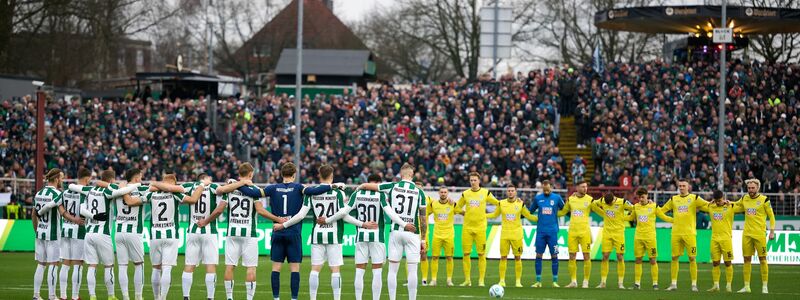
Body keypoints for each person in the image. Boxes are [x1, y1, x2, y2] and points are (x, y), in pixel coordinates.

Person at [234, 162, 334, 300]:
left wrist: (239, 183)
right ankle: (293, 298)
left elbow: (254, 193)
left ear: (281, 174)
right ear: (294, 175)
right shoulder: (299, 188)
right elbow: (314, 191)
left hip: (278, 231)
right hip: (293, 233)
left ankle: (276, 298)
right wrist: (331, 185)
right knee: (295, 269)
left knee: (276, 268)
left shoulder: (273, 188)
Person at [318, 173, 406, 300]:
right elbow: (390, 213)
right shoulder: (381, 194)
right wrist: (403, 223)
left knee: (359, 271)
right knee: (377, 272)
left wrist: (327, 220)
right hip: (377, 236)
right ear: (378, 184)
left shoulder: (357, 194)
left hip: (361, 235)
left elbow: (343, 212)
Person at [123, 168, 204, 300]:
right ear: (173, 183)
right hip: (171, 234)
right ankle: (163, 298)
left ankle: (156, 298)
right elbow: (193, 199)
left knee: (156, 268)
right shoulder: (175, 194)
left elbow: (131, 202)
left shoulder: (151, 194)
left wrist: (124, 191)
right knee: (167, 268)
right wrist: (202, 185)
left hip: (155, 235)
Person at [275, 164, 353, 300]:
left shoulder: (311, 193)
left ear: (319, 176)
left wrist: (283, 225)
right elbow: (343, 214)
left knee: (315, 269)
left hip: (317, 234)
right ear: (332, 176)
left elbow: (300, 216)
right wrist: (362, 224)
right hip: (334, 235)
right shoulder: (338, 193)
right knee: (335, 270)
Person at [214, 163, 282, 300]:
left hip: (232, 232)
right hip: (249, 234)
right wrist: (277, 219)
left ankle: (229, 297)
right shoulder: (254, 189)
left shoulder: (229, 189)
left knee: (230, 266)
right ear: (250, 174)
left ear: (239, 173)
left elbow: (220, 207)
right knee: (251, 268)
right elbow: (261, 211)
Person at [358, 163, 424, 300]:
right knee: (413, 270)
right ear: (412, 175)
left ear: (401, 175)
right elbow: (423, 217)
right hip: (412, 232)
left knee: (393, 270)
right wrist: (422, 239)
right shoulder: (419, 192)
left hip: (396, 231)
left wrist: (361, 187)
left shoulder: (392, 186)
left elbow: (370, 186)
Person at [70, 169, 139, 300]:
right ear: (112, 180)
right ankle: (111, 295)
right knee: (109, 266)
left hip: (89, 233)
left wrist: (92, 215)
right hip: (103, 234)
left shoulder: (89, 190)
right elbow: (122, 191)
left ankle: (92, 296)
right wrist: (137, 185)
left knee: (92, 266)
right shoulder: (107, 191)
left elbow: (72, 188)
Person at [660, 179, 709, 291]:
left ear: (688, 187)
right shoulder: (674, 199)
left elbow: (707, 206)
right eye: (680, 186)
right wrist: (670, 219)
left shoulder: (694, 198)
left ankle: (694, 285)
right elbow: (661, 211)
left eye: (683, 186)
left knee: (692, 258)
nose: (681, 187)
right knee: (674, 257)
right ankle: (673, 284)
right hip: (676, 233)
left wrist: (719, 203)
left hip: (689, 233)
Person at [182, 173, 225, 300]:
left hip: (193, 231)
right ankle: (210, 298)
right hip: (209, 231)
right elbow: (222, 190)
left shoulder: (190, 187)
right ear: (206, 179)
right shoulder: (212, 187)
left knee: (189, 265)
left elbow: (174, 188)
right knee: (210, 265)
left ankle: (186, 297)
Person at [486, 184, 537, 287]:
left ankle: (518, 281)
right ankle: (502, 280)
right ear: (506, 192)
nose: (510, 192)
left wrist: (542, 218)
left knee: (518, 257)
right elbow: (494, 215)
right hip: (504, 235)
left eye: (512, 191)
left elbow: (528, 216)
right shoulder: (501, 203)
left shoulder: (520, 204)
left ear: (515, 192)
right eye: (509, 190)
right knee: (503, 257)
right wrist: (482, 215)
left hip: (517, 235)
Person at [454, 172, 499, 287]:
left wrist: (490, 215)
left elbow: (498, 203)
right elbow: (457, 207)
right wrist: (463, 212)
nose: (473, 182)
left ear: (479, 181)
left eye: (475, 180)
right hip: (467, 228)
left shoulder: (485, 192)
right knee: (466, 254)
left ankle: (481, 280)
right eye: (471, 180)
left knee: (481, 254)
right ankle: (467, 280)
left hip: (480, 228)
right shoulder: (466, 194)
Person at [627, 188, 672, 290]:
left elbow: (663, 217)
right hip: (638, 237)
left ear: (647, 196)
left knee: (652, 260)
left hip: (650, 238)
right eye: (639, 197)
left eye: (642, 197)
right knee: (638, 260)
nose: (641, 199)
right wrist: (619, 217)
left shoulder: (654, 206)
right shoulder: (636, 207)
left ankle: (655, 283)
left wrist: (675, 220)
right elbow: (630, 218)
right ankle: (637, 283)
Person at [736, 178, 776, 294]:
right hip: (747, 234)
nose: (750, 190)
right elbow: (736, 205)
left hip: (759, 235)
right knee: (746, 260)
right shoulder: (745, 198)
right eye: (749, 188)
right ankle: (747, 287)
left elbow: (771, 216)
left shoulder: (764, 200)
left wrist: (772, 231)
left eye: (753, 188)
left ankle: (764, 286)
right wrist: (727, 203)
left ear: (757, 188)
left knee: (762, 260)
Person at [32, 169, 67, 300]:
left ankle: (36, 295)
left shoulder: (38, 193)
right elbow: (63, 212)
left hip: (40, 233)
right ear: (57, 179)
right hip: (53, 234)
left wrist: (36, 230)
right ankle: (52, 296)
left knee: (41, 264)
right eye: (61, 178)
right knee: (53, 264)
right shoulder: (58, 194)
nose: (62, 181)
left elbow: (33, 214)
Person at [57, 168, 90, 300]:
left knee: (65, 263)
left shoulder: (65, 192)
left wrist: (67, 216)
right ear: (87, 178)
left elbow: (60, 208)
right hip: (79, 229)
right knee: (78, 263)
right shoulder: (85, 193)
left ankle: (63, 296)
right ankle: (75, 296)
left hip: (65, 228)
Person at [590, 192, 632, 289]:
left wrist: (627, 217)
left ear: (613, 199)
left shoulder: (622, 202)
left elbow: (635, 208)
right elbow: (593, 204)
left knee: (620, 256)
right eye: (606, 204)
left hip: (619, 233)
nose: (607, 205)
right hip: (607, 233)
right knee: (605, 256)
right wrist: (602, 213)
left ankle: (620, 283)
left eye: (609, 204)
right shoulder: (602, 200)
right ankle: (603, 282)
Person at [558, 180, 595, 288]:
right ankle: (573, 281)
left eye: (586, 187)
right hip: (572, 232)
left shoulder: (590, 199)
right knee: (572, 256)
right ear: (577, 188)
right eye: (583, 187)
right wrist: (550, 213)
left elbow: (599, 210)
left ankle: (586, 281)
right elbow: (563, 212)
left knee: (586, 256)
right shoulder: (571, 199)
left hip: (585, 232)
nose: (585, 189)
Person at [528, 180, 564, 287]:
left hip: (553, 232)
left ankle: (555, 281)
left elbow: (565, 209)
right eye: (545, 189)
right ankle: (538, 281)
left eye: (548, 189)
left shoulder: (557, 198)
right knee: (538, 255)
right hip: (541, 232)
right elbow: (530, 211)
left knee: (554, 255)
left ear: (551, 188)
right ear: (542, 188)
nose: (546, 191)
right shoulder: (538, 198)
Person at [699, 190, 736, 292]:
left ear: (723, 198)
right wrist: (708, 203)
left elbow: (742, 206)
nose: (718, 202)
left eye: (719, 200)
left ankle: (729, 285)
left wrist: (732, 203)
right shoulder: (711, 206)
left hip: (726, 239)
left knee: (728, 262)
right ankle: (716, 285)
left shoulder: (730, 207)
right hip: (714, 239)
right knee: (715, 263)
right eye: (716, 201)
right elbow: (698, 205)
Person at [427, 186, 458, 287]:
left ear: (448, 193)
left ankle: (449, 280)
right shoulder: (433, 204)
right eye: (441, 192)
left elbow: (462, 212)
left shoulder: (452, 204)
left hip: (449, 235)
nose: (443, 194)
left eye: (445, 192)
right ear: (438, 193)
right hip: (437, 235)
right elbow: (424, 213)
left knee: (449, 257)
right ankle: (433, 280)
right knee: (435, 257)